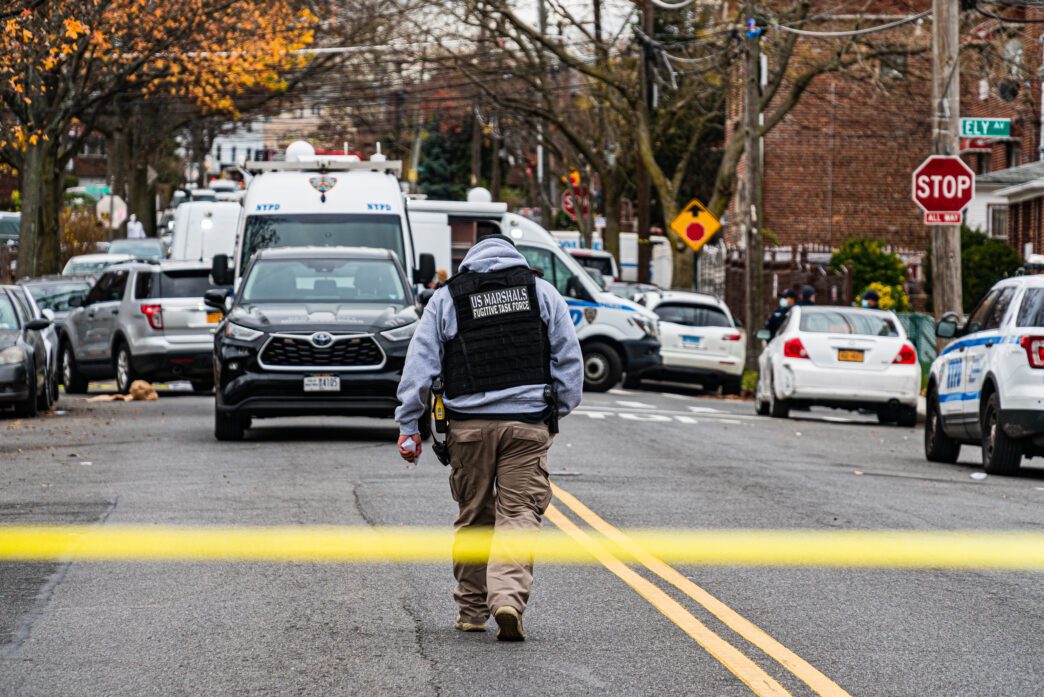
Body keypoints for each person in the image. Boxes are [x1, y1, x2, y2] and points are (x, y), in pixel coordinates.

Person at [395, 233, 583, 642]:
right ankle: (508, 600)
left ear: (470, 262)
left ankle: (472, 610)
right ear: (516, 259)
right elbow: (569, 361)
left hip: (469, 428)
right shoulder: (543, 293)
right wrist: (554, 410)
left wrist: (409, 425)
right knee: (519, 514)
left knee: (475, 515)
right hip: (527, 425)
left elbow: (420, 366)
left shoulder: (447, 298)